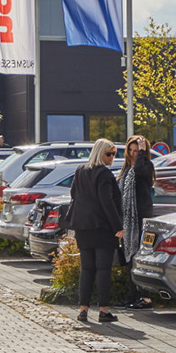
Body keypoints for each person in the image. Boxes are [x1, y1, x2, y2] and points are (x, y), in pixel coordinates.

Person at [70, 138, 124, 324]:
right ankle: (104, 310)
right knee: (102, 269)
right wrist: (118, 226)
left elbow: (74, 196)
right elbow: (107, 202)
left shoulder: (80, 170)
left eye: (114, 154)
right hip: (102, 227)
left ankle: (83, 310)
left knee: (86, 268)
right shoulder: (104, 175)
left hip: (83, 226)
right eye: (108, 154)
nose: (111, 158)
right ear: (99, 153)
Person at [120, 134, 157, 309]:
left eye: (137, 151)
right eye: (132, 151)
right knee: (130, 259)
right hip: (128, 220)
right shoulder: (126, 169)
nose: (134, 154)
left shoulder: (146, 166)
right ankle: (132, 294)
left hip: (141, 218)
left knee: (140, 258)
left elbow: (142, 171)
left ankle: (145, 297)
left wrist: (143, 153)